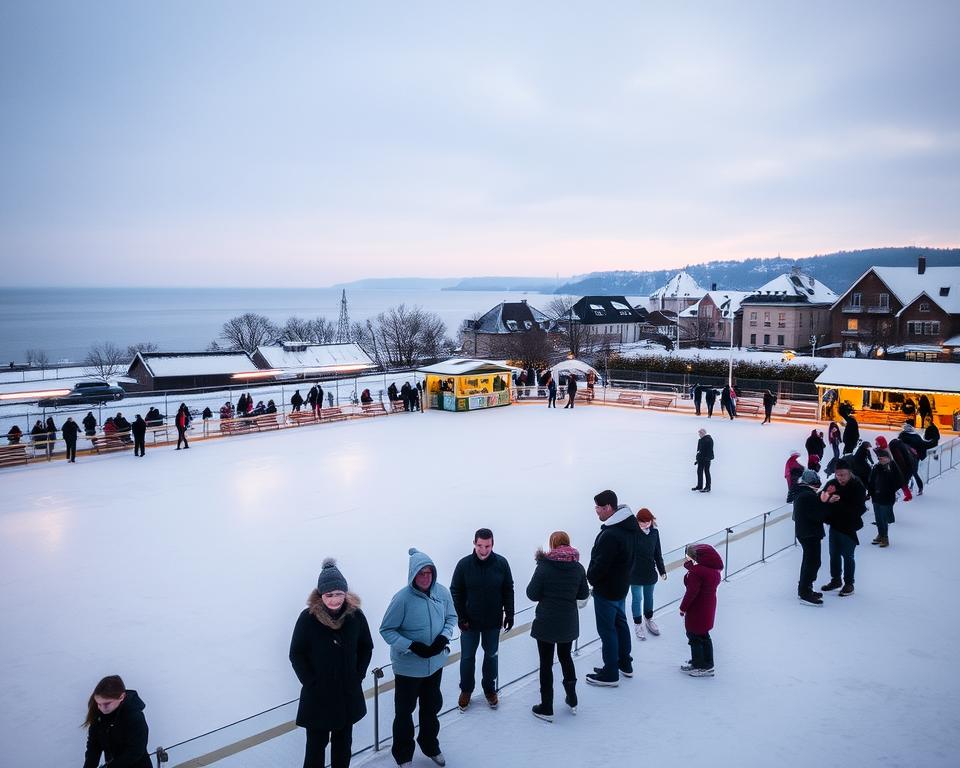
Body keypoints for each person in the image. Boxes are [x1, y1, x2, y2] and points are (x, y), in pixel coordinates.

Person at [290, 558, 373, 768]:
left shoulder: (355, 616)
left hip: (346, 695)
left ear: (345, 593)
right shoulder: (307, 619)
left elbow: (366, 647)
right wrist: (312, 683)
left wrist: (358, 675)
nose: (334, 599)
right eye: (329, 595)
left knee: (343, 748)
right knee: (315, 750)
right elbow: (296, 654)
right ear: (321, 595)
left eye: (338, 594)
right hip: (318, 698)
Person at [379, 548, 456, 768]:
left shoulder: (442, 593)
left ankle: (430, 745)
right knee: (404, 712)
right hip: (408, 669)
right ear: (413, 574)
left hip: (435, 664)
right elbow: (386, 630)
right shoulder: (402, 599)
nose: (425, 577)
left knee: (431, 707)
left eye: (429, 572)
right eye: (421, 573)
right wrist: (411, 646)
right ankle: (403, 754)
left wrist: (443, 637)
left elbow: (451, 617)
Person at [526, 530, 590, 721]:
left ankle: (546, 707)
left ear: (552, 545)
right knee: (565, 657)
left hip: (546, 622)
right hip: (568, 622)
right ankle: (572, 699)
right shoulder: (578, 567)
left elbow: (532, 594)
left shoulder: (544, 566)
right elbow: (583, 594)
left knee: (545, 664)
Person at [450, 528, 515, 711]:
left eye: (487, 546)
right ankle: (466, 690)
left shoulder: (501, 563)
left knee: (491, 655)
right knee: (467, 657)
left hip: (493, 621)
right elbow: (455, 591)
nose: (483, 550)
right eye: (480, 545)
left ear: (492, 544)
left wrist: (510, 613)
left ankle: (489, 689)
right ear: (474, 543)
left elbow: (508, 589)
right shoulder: (464, 565)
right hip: (469, 623)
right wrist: (461, 616)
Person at [585, 489, 638, 687]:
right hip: (622, 586)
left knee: (607, 631)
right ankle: (625, 663)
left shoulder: (611, 534)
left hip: (607, 590)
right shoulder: (629, 527)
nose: (596, 511)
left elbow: (601, 565)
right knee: (620, 625)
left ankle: (610, 673)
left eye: (598, 508)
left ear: (608, 507)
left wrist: (591, 577)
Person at [820, 458, 867, 597]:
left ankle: (849, 583)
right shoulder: (832, 484)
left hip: (848, 526)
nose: (840, 478)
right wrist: (828, 500)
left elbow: (859, 508)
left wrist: (838, 503)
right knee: (833, 554)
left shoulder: (857, 486)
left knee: (848, 555)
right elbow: (821, 497)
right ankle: (836, 580)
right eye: (838, 474)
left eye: (843, 475)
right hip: (834, 525)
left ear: (849, 473)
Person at [82, 675, 151, 768]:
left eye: (107, 703)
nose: (102, 708)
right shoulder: (99, 716)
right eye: (99, 704)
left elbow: (136, 751)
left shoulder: (134, 716)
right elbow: (94, 746)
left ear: (121, 697)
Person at [679, 544, 723, 677]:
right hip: (708, 607)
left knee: (694, 636)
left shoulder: (697, 571)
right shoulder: (714, 570)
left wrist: (683, 608)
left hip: (697, 608)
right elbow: (701, 582)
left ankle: (699, 665)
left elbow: (691, 592)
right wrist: (691, 569)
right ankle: (707, 663)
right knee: (704, 635)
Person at [630, 508, 667, 640]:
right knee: (637, 598)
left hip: (649, 572)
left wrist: (662, 570)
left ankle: (649, 619)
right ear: (637, 521)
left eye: (648, 521)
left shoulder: (654, 533)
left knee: (649, 597)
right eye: (642, 522)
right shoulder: (632, 534)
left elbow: (657, 553)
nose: (646, 524)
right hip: (634, 573)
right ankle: (637, 623)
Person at [793, 469, 827, 605]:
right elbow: (818, 515)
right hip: (810, 533)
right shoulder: (808, 496)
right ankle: (805, 591)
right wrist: (825, 502)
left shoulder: (801, 493)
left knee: (810, 561)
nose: (818, 487)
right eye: (817, 484)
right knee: (812, 562)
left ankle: (806, 588)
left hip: (805, 532)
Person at [868, 449, 904, 549]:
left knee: (883, 518)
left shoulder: (893, 467)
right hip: (876, 497)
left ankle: (885, 538)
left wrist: (889, 490)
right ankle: (880, 535)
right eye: (879, 458)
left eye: (882, 458)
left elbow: (900, 481)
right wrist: (870, 492)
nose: (880, 460)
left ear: (888, 458)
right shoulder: (876, 467)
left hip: (887, 498)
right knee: (878, 518)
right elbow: (871, 480)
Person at [899, 421, 933, 496]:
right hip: (909, 456)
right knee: (911, 472)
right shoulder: (906, 436)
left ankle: (917, 487)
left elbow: (922, 444)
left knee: (912, 472)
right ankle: (912, 486)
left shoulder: (907, 436)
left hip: (913, 457)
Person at [692, 428, 713, 493]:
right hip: (700, 460)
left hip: (706, 459)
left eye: (700, 433)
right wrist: (697, 459)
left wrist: (707, 458)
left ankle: (708, 487)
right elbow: (699, 451)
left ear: (703, 433)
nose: (699, 434)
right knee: (699, 472)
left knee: (706, 472)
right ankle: (699, 486)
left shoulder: (708, 440)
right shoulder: (700, 440)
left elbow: (710, 450)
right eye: (699, 433)